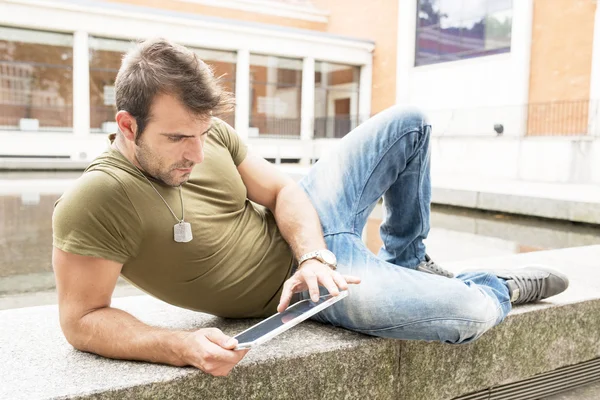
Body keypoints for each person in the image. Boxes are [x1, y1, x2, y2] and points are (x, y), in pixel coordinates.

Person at [52, 38, 569, 377]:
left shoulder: (208, 136)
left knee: (410, 120)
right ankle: (498, 286)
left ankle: (409, 258)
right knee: (467, 312)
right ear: (126, 126)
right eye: (178, 138)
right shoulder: (98, 199)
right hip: (307, 295)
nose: (196, 152)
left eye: (204, 133)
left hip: (313, 248)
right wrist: (179, 346)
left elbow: (282, 192)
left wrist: (312, 254)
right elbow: (82, 319)